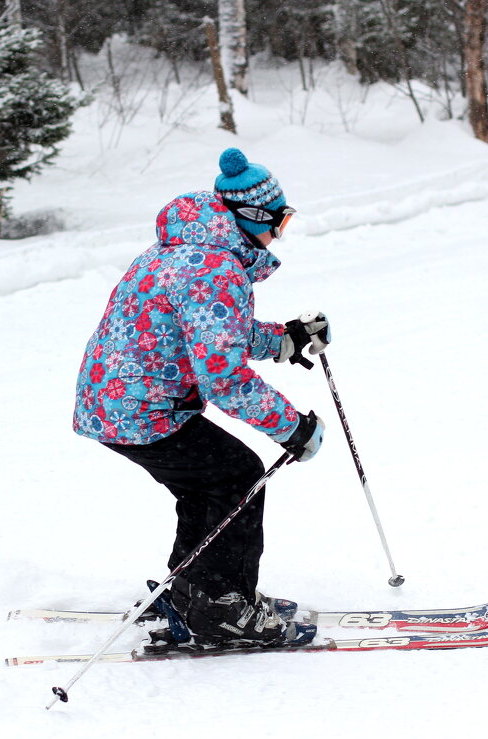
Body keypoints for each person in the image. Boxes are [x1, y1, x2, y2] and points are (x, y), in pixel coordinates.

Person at [72, 147, 332, 649]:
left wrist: (282, 339)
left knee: (210, 482)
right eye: (280, 222)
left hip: (118, 402)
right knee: (235, 476)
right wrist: (291, 428)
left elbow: (212, 333)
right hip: (142, 411)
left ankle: (193, 593)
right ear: (252, 217)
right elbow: (223, 375)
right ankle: (219, 608)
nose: (280, 234)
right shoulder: (215, 267)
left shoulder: (184, 250)